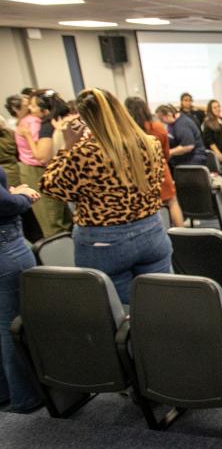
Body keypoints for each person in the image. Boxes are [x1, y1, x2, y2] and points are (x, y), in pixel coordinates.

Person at [41, 89, 172, 304]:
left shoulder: (86, 151)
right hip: (151, 231)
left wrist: (68, 147)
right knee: (160, 302)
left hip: (104, 241)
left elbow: (51, 187)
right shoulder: (150, 143)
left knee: (121, 313)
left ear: (86, 119)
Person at [0, 166, 43, 413]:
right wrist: (24, 196)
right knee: (13, 324)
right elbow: (5, 204)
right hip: (5, 244)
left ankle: (6, 391)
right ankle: (25, 396)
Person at [16, 89, 72, 237]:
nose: (30, 109)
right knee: (59, 218)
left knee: (53, 220)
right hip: (44, 171)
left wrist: (27, 136)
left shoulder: (45, 124)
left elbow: (41, 156)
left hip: (42, 170)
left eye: (34, 106)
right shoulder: (61, 118)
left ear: (45, 109)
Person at [125, 97, 184, 228]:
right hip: (161, 170)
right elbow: (165, 153)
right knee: (172, 202)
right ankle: (183, 235)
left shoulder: (126, 131)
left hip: (138, 174)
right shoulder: (158, 127)